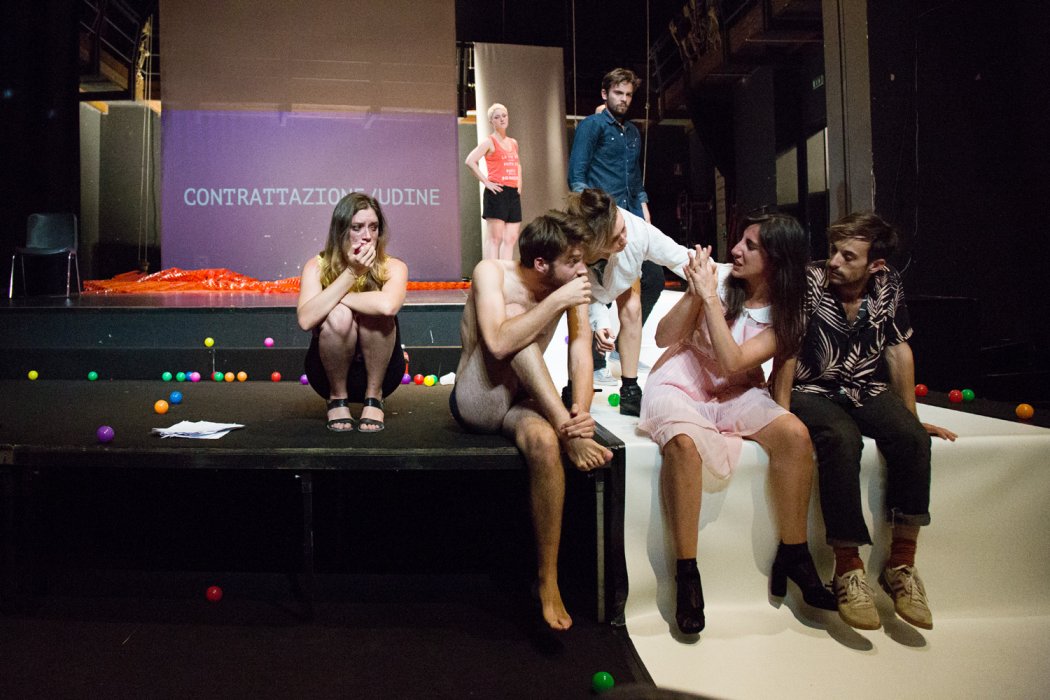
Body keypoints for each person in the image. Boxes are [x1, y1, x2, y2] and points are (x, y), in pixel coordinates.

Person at [639, 212, 837, 634]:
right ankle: (687, 573)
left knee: (794, 434)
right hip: (682, 380)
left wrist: (779, 413)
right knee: (683, 444)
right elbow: (662, 338)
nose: (735, 250)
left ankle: (795, 552)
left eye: (750, 245)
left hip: (735, 388)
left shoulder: (786, 315)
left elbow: (734, 362)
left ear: (776, 260)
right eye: (739, 241)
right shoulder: (719, 281)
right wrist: (696, 294)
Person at [773, 212, 957, 631]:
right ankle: (848, 568)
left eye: (848, 256)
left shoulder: (889, 283)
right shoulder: (811, 281)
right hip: (812, 388)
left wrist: (911, 416)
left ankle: (901, 566)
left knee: (913, 440)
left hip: (865, 387)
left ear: (875, 264)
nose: (835, 261)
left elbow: (897, 348)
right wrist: (780, 414)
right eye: (834, 251)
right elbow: (787, 348)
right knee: (842, 438)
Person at [450, 211, 614, 631]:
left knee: (543, 444)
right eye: (573, 261)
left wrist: (581, 415)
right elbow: (498, 343)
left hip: (523, 399)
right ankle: (564, 429)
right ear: (541, 264)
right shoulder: (491, 272)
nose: (582, 269)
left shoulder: (569, 284)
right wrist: (556, 301)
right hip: (480, 399)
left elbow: (580, 349)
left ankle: (548, 578)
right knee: (513, 324)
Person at [567, 67, 665, 386]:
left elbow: (634, 181)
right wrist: (592, 219)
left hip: (630, 220)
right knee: (600, 292)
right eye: (618, 93)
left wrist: (643, 207)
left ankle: (624, 347)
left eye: (628, 95)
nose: (623, 99)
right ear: (604, 93)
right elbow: (577, 177)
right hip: (601, 223)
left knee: (653, 279)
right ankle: (596, 360)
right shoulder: (592, 126)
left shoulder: (633, 133)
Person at [563, 188, 690, 417]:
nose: (624, 239)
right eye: (615, 238)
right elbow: (588, 295)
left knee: (632, 308)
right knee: (579, 322)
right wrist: (600, 323)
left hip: (623, 272)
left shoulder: (635, 231)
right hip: (585, 285)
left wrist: (721, 276)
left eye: (622, 229)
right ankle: (573, 387)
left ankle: (630, 390)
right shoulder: (572, 252)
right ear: (594, 244)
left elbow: (679, 257)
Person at [297, 192, 409, 433]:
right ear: (340, 231)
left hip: (382, 372)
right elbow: (306, 320)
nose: (367, 236)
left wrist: (335, 297)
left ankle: (374, 398)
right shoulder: (316, 266)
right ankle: (337, 399)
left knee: (374, 314)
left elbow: (388, 306)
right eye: (357, 227)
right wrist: (351, 273)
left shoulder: (394, 267)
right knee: (339, 315)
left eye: (373, 227)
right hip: (328, 372)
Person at [465, 103, 523, 260]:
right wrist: (486, 182)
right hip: (497, 191)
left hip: (512, 193)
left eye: (504, 116)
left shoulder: (513, 143)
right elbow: (470, 160)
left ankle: (504, 271)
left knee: (511, 238)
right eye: (497, 117)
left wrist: (519, 186)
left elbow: (517, 165)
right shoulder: (489, 141)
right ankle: (491, 271)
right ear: (491, 121)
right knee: (494, 238)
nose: (502, 119)